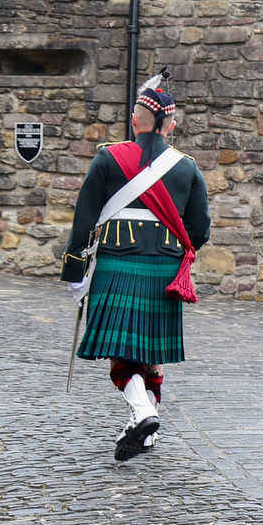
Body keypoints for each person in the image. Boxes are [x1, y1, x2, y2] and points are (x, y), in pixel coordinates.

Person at [62, 76, 210, 460]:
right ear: (171, 125)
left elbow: (84, 217)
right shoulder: (187, 168)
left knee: (121, 352)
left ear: (135, 120)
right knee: (151, 352)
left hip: (118, 261)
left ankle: (142, 411)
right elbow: (200, 230)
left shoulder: (108, 158)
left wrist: (75, 266)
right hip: (164, 266)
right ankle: (147, 432)